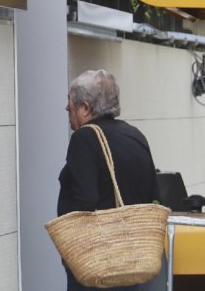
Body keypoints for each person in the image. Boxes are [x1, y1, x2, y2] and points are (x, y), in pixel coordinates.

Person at [58, 70, 159, 291]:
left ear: (86, 107)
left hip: (98, 264)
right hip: (131, 261)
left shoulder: (84, 138)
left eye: (70, 102)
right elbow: (153, 193)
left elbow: (86, 201)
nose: (67, 108)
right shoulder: (135, 135)